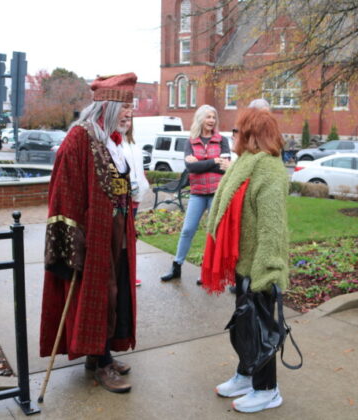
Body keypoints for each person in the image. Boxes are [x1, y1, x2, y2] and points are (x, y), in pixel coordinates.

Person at [39, 73, 138, 394]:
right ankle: (101, 360)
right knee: (100, 294)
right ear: (107, 106)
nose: (130, 113)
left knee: (116, 291)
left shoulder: (110, 139)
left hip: (116, 230)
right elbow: (63, 194)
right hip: (93, 236)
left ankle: (99, 357)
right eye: (125, 106)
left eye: (131, 107)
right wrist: (72, 243)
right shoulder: (79, 139)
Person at [201, 108, 289, 413]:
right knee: (244, 326)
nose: (232, 136)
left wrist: (267, 270)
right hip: (242, 260)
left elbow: (271, 225)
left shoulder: (270, 170)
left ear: (252, 134)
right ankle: (246, 374)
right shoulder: (247, 163)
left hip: (259, 265)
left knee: (262, 330)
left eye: (237, 131)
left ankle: (267, 390)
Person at [160, 105, 230, 283]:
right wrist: (213, 161)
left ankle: (207, 272)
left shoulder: (222, 140)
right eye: (208, 117)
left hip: (216, 194)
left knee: (213, 232)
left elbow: (224, 169)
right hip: (197, 194)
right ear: (200, 119)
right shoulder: (190, 141)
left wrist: (201, 162)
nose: (211, 120)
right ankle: (176, 266)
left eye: (214, 117)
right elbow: (190, 168)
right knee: (187, 230)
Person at [122, 119, 150, 287]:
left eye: (129, 120)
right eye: (123, 120)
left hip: (136, 198)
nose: (127, 123)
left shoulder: (132, 143)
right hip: (125, 198)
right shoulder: (115, 144)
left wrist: (143, 184)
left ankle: (129, 274)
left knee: (130, 237)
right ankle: (126, 275)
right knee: (125, 238)